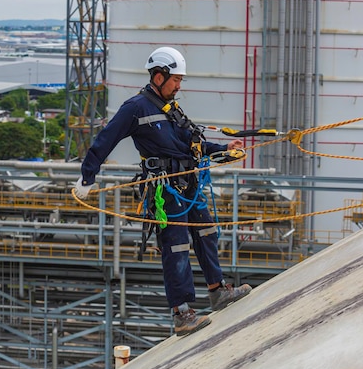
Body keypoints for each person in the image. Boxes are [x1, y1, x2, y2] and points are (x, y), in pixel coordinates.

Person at [74, 47, 252, 336]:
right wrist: (87, 177)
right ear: (159, 76)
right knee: (176, 245)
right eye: (176, 80)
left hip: (188, 184)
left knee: (206, 231)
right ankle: (182, 313)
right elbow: (105, 139)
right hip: (164, 189)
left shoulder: (172, 109)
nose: (179, 86)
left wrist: (223, 149)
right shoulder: (136, 108)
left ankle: (218, 291)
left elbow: (192, 144)